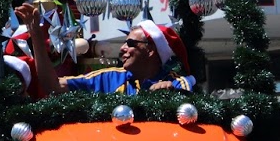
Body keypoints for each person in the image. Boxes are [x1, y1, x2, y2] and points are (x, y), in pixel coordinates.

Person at [63, 21, 196, 95]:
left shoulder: (176, 83)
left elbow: (188, 109)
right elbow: (58, 85)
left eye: (130, 43)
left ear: (150, 50)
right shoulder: (110, 77)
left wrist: (170, 95)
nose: (122, 48)